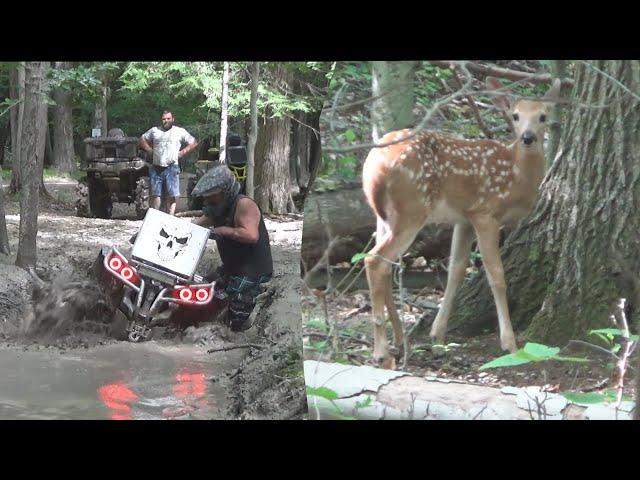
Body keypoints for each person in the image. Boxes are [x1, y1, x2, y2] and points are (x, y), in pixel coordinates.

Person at [191, 165, 273, 332]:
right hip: (231, 268)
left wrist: (223, 231)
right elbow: (194, 226)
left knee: (235, 318)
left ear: (224, 192)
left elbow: (251, 235)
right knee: (202, 291)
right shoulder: (217, 209)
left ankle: (250, 316)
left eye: (211, 197)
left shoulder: (244, 205)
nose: (207, 202)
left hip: (252, 271)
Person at [140, 111, 198, 216]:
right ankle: (156, 216)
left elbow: (193, 142)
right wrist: (149, 150)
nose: (166, 121)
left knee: (172, 194)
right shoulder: (154, 130)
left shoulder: (179, 131)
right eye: (164, 119)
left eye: (168, 118)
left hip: (172, 167)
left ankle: (170, 216)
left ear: (173, 119)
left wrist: (182, 153)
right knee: (156, 195)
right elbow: (142, 138)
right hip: (156, 167)